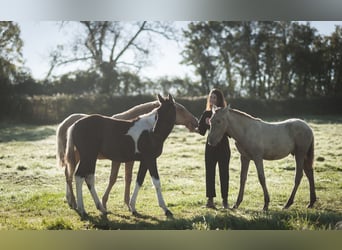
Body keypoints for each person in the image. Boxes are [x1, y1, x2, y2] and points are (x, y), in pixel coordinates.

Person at [197, 88, 231, 209]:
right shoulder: (206, 113)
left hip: (223, 147)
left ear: (219, 99)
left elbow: (230, 133)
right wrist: (206, 123)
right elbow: (201, 131)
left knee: (224, 173)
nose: (212, 100)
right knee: (210, 173)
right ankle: (210, 201)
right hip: (210, 147)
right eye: (210, 97)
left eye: (214, 97)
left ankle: (225, 201)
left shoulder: (225, 113)